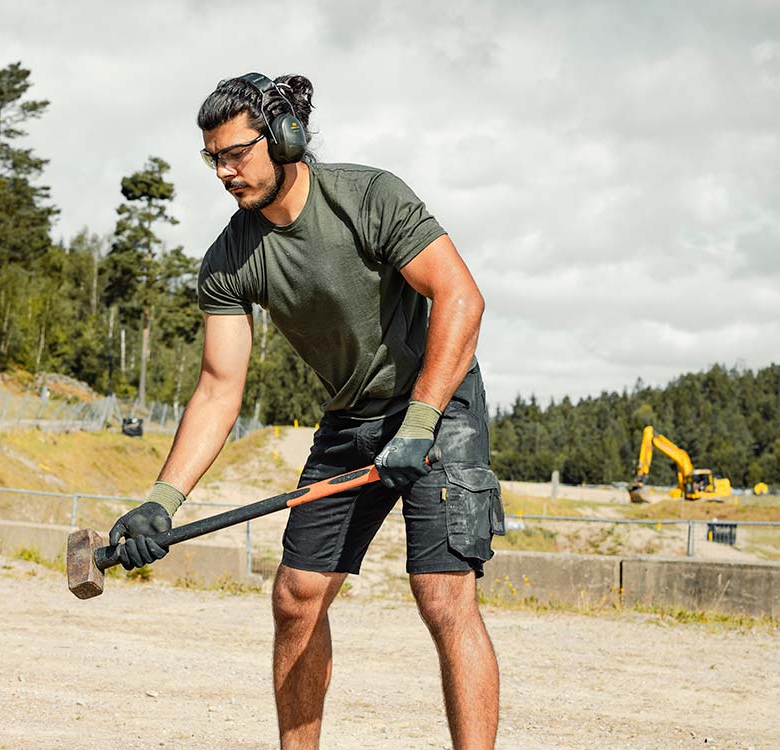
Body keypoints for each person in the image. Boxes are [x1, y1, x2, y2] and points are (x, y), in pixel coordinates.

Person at [108, 72, 503, 750]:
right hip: (352, 418)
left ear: (285, 136)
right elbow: (217, 388)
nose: (224, 173)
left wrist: (417, 425)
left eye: (236, 153)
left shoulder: (368, 197)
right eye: (214, 159)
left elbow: (461, 298)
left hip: (437, 406)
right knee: (295, 597)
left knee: (442, 597)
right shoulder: (230, 259)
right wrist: (161, 501)